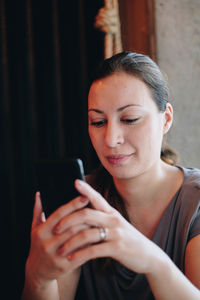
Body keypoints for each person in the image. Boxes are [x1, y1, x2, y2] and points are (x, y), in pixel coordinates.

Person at [22, 52, 200, 300]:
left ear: (166, 119)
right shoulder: (81, 199)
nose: (110, 139)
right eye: (97, 122)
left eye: (129, 119)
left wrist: (153, 261)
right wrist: (37, 277)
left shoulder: (195, 203)